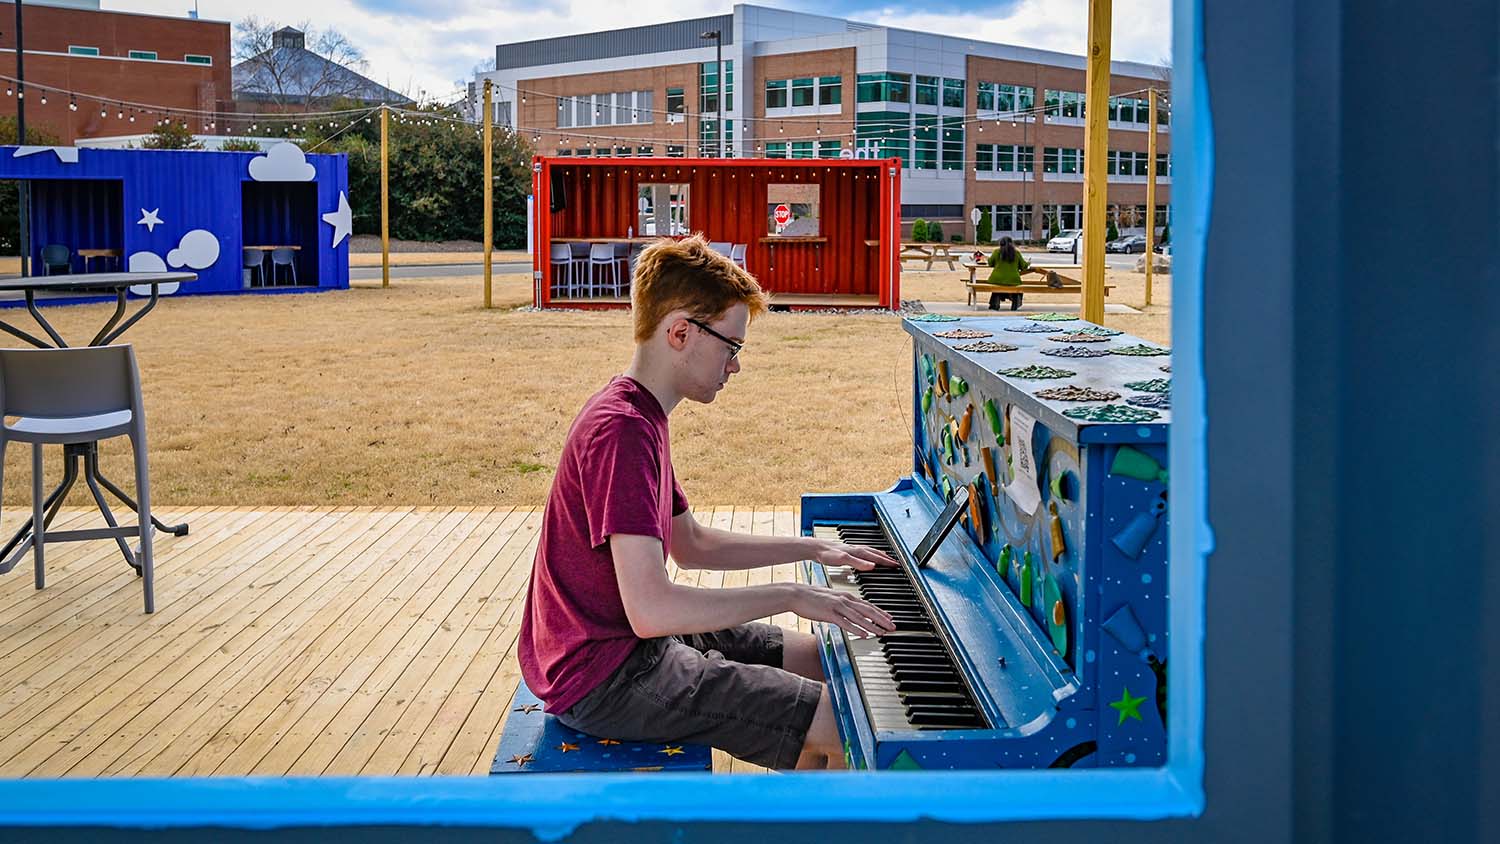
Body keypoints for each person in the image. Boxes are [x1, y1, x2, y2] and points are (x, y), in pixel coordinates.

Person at [518, 234, 899, 771]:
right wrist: (790, 594)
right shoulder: (622, 431)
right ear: (680, 332)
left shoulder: (640, 415)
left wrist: (812, 551)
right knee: (850, 724)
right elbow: (651, 611)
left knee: (823, 659)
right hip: (606, 674)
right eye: (732, 346)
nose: (735, 365)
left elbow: (691, 545)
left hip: (619, 645)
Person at [985, 235, 1045, 310]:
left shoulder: (996, 252)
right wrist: (1028, 263)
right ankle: (1015, 303)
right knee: (1017, 289)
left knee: (997, 288)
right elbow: (1023, 266)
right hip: (1014, 280)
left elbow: (990, 263)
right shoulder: (1016, 253)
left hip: (996, 279)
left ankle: (994, 304)